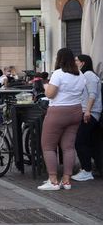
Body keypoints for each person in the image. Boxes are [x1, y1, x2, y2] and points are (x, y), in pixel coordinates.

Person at [37, 48, 86, 190]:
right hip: (76, 111)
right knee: (69, 147)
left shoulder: (58, 74)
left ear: (59, 59)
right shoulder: (80, 74)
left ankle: (53, 181)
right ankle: (66, 180)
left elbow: (50, 94)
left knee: (48, 146)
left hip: (58, 112)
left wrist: (45, 85)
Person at [72, 54, 103, 182]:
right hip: (90, 113)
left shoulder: (89, 76)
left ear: (83, 63)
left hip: (91, 113)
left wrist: (88, 111)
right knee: (93, 142)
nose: (75, 63)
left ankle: (86, 170)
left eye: (76, 61)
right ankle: (92, 168)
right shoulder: (85, 76)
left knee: (80, 141)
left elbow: (92, 94)